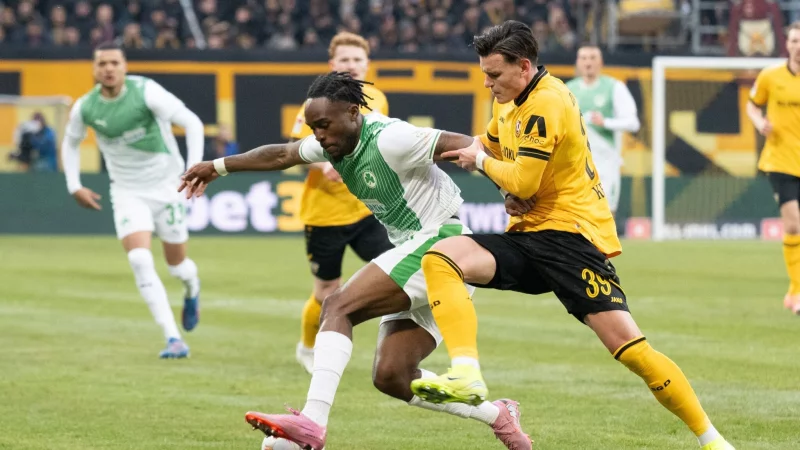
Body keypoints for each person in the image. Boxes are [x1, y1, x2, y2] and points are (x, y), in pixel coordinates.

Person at [410, 21, 734, 450]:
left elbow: (517, 178)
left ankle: (713, 441)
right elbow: (491, 154)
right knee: (442, 257)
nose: (487, 83)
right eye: (484, 74)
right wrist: (502, 185)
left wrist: (498, 176)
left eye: (494, 74)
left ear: (524, 67)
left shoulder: (547, 102)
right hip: (529, 236)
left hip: (570, 239)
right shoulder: (507, 102)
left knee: (632, 350)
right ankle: (466, 372)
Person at [180, 72, 532, 450]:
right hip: (424, 253)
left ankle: (312, 424)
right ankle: (499, 416)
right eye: (314, 127)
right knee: (393, 377)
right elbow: (281, 153)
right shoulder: (334, 143)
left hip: (440, 243)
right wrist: (216, 167)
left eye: (324, 125)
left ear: (353, 112)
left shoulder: (392, 138)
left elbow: (467, 144)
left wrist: (507, 189)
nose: (318, 135)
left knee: (337, 305)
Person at [61, 42, 204, 359]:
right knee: (139, 260)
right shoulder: (85, 107)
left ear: (124, 66)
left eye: (114, 62)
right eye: (102, 64)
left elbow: (192, 123)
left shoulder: (147, 92)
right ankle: (173, 338)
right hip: (126, 191)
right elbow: (70, 143)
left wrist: (194, 170)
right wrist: (74, 185)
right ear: (94, 69)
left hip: (167, 187)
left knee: (178, 266)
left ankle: (192, 288)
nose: (108, 69)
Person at [290, 31, 394, 375]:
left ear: (367, 65)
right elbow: (296, 144)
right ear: (333, 65)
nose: (351, 65)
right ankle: (307, 345)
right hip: (324, 214)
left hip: (367, 209)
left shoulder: (377, 98)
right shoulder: (316, 101)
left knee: (395, 271)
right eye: (345, 60)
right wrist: (325, 164)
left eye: (357, 60)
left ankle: (395, 344)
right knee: (326, 291)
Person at [747, 21, 800, 314]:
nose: (798, 47)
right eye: (794, 41)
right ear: (787, 44)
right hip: (780, 160)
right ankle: (795, 291)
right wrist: (758, 122)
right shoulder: (771, 76)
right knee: (793, 223)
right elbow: (752, 104)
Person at [565, 44, 640, 215]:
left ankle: (603, 243)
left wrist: (605, 122)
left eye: (592, 58)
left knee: (606, 213)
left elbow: (633, 122)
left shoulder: (614, 87)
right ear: (577, 62)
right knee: (577, 215)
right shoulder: (568, 89)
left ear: (601, 62)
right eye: (583, 58)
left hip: (606, 162)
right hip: (576, 162)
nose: (588, 63)